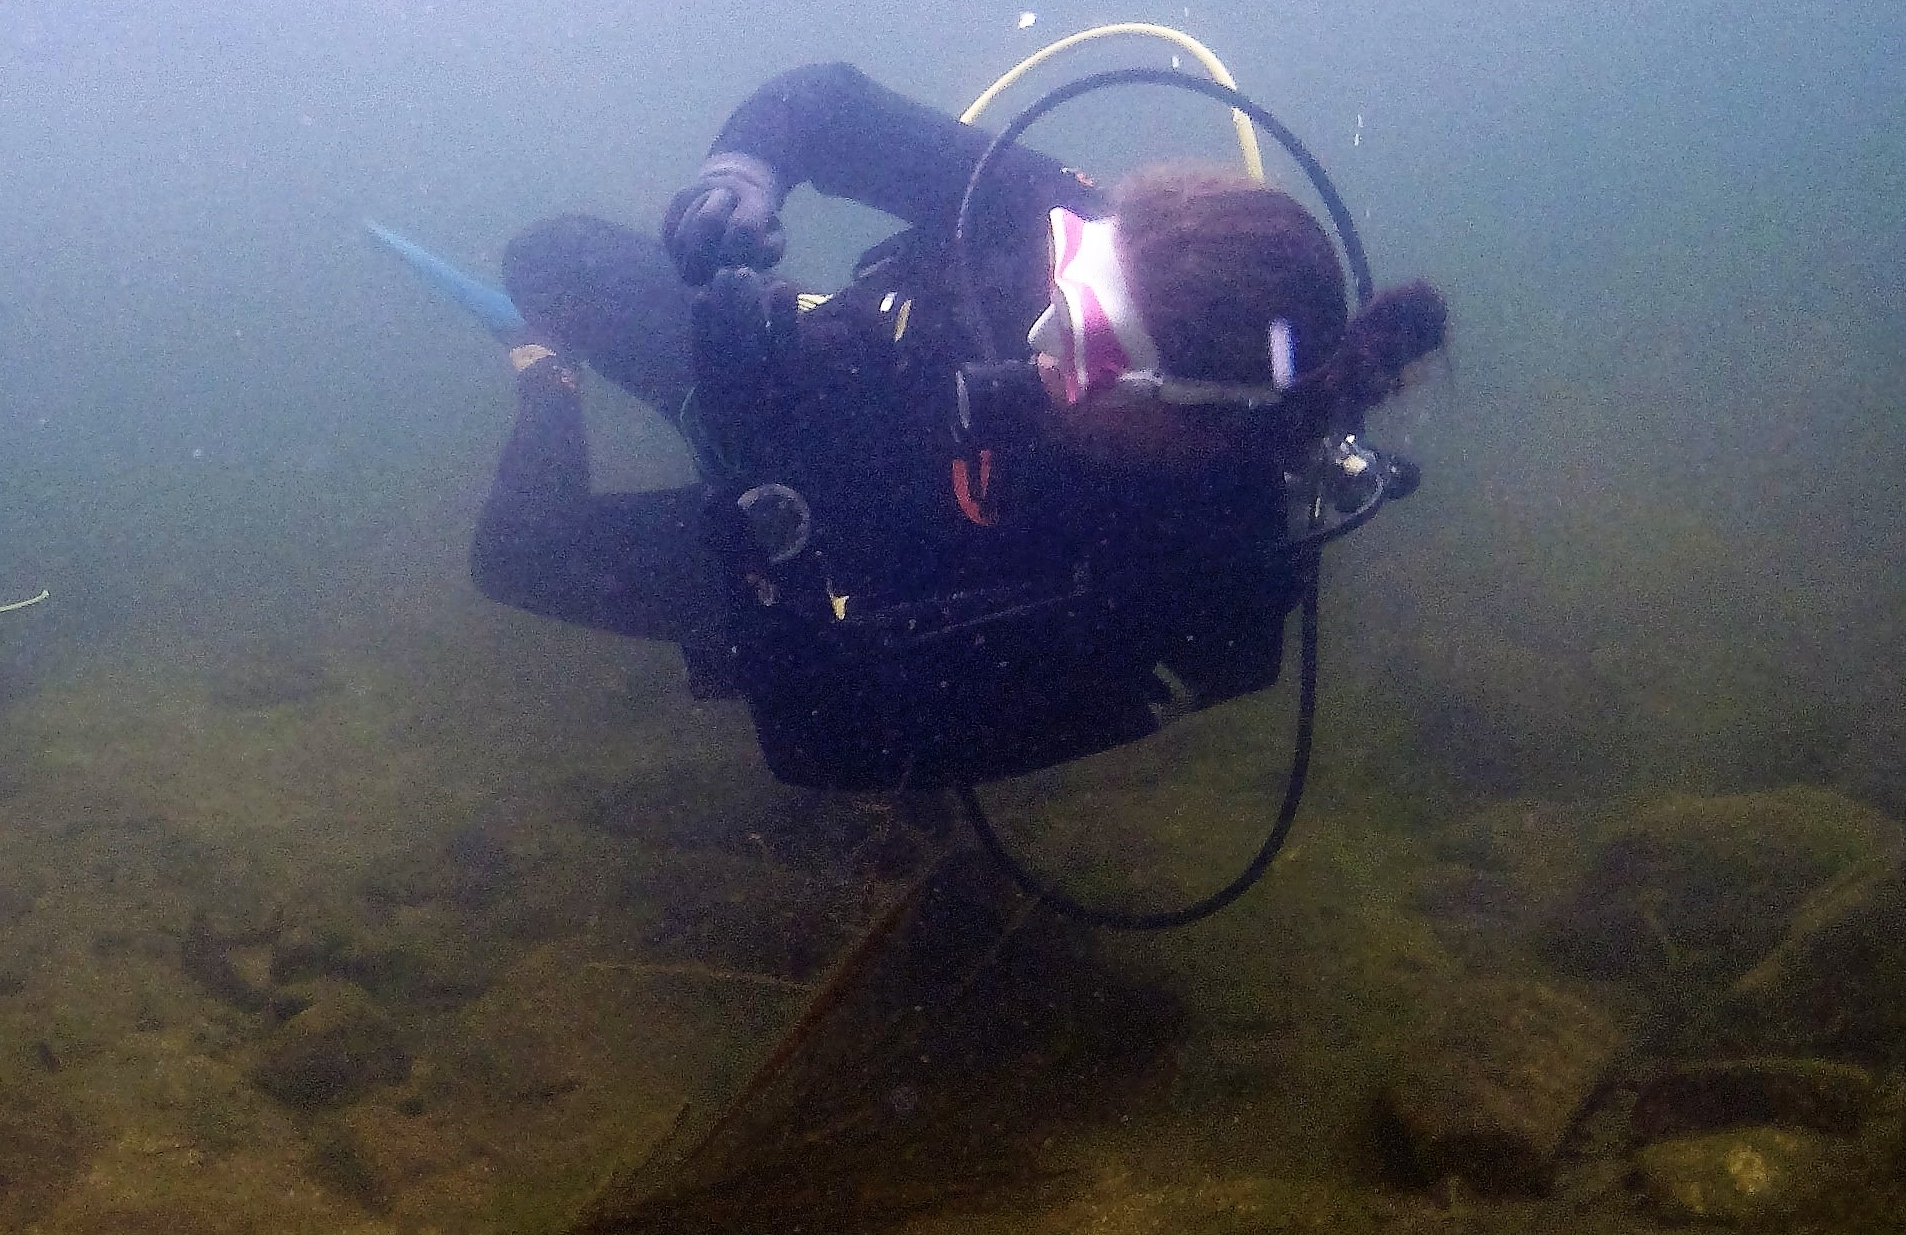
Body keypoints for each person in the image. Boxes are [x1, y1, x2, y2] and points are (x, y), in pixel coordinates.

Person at [473, 61, 1448, 797]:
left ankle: (542, 378)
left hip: (822, 563)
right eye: (1077, 269)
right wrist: (744, 175)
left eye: (1092, 343)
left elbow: (829, 745)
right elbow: (828, 106)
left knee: (519, 555)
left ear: (1199, 420)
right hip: (809, 368)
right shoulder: (1065, 216)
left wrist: (748, 489)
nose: (1039, 329)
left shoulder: (1199, 609)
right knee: (547, 258)